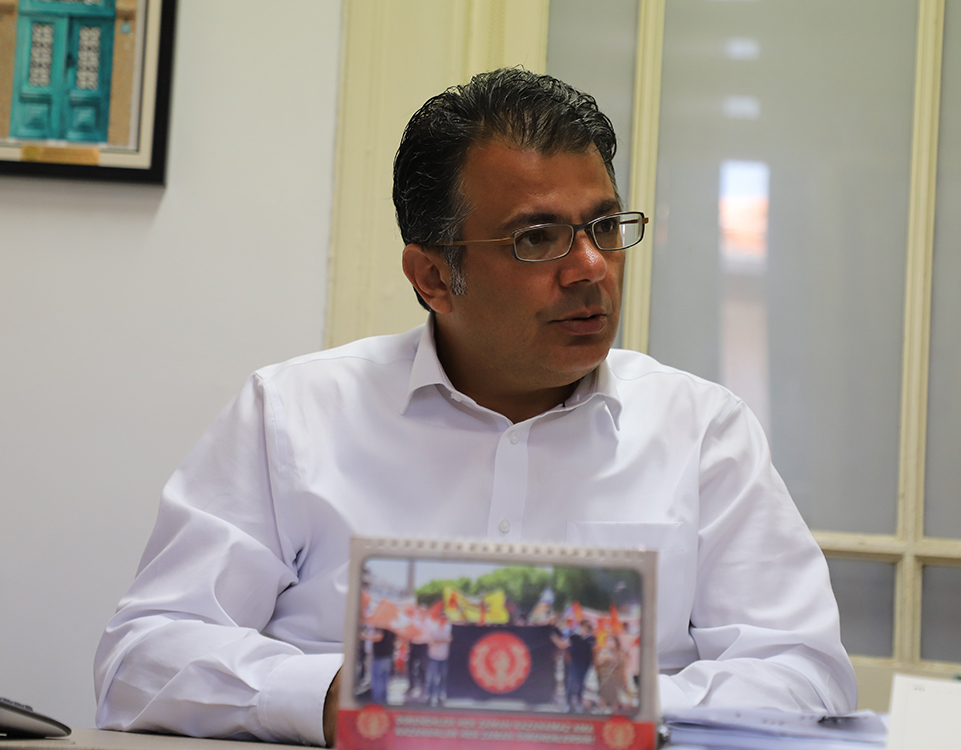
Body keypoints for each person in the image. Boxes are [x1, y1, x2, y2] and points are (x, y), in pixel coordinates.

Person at [94, 68, 856, 747]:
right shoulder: (293, 413)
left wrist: (609, 710)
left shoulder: (702, 431)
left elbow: (803, 674)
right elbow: (143, 656)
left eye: (603, 227)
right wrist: (337, 698)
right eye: (538, 238)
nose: (591, 267)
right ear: (432, 276)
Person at [565, 620, 596, 712]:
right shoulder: (574, 637)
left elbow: (593, 651)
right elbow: (566, 648)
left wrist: (593, 662)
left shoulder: (591, 639)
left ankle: (579, 701)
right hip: (575, 662)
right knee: (572, 682)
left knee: (582, 683)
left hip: (585, 664)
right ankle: (569, 702)